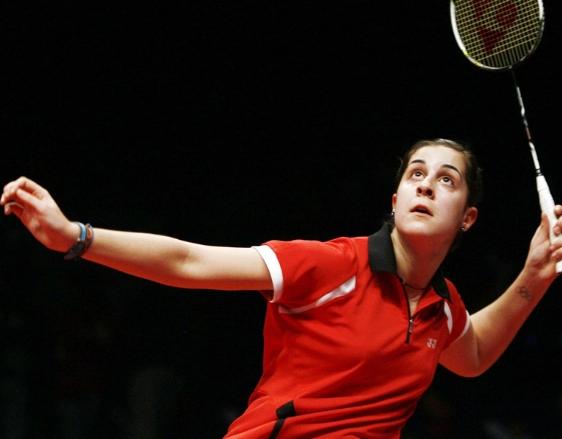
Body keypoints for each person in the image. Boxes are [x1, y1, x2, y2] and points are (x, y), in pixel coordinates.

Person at [2, 138, 561, 438]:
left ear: (467, 218)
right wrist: (76, 237)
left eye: (447, 180)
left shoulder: (443, 309)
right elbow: (190, 261)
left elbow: (475, 354)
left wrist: (534, 276)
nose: (426, 186)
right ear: (393, 202)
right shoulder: (329, 265)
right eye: (415, 173)